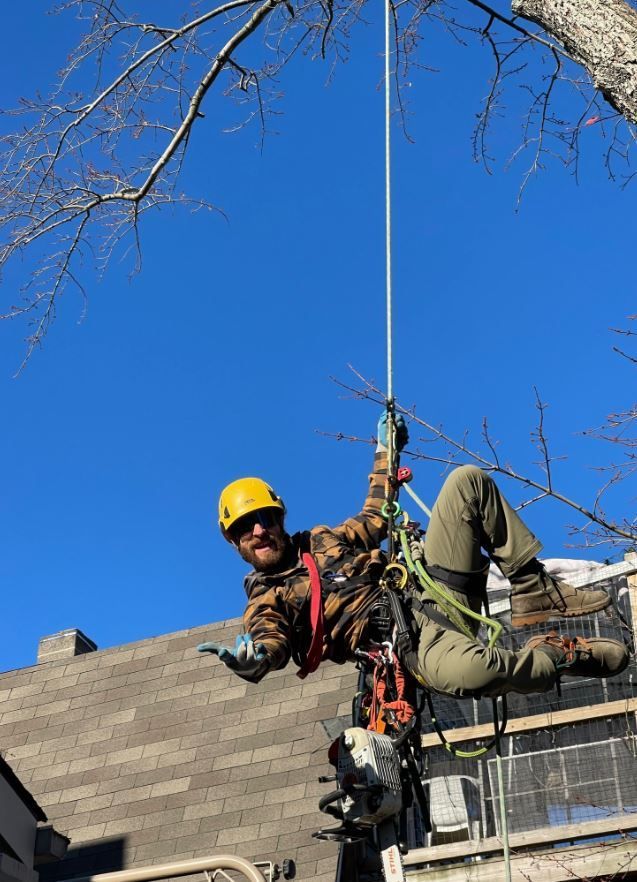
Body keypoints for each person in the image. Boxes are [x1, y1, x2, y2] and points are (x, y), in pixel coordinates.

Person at [198, 415, 629, 697]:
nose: (258, 531)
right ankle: (556, 655)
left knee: (467, 483)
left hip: (429, 583)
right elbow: (269, 639)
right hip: (413, 640)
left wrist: (386, 450)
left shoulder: (322, 540)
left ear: (279, 519)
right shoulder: (266, 600)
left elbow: (376, 516)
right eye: (244, 528)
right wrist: (255, 660)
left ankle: (534, 589)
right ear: (234, 543)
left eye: (265, 519)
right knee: (471, 675)